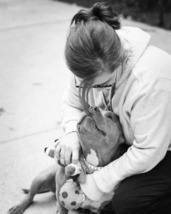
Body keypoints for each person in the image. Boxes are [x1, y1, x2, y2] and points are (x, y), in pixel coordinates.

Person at [55, 2, 171, 214]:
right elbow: (71, 103)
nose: (91, 90)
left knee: (126, 203)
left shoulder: (152, 81)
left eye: (100, 86)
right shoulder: (87, 62)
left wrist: (95, 184)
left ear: (119, 62)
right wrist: (71, 132)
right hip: (130, 141)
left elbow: (148, 151)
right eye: (84, 83)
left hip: (162, 147)